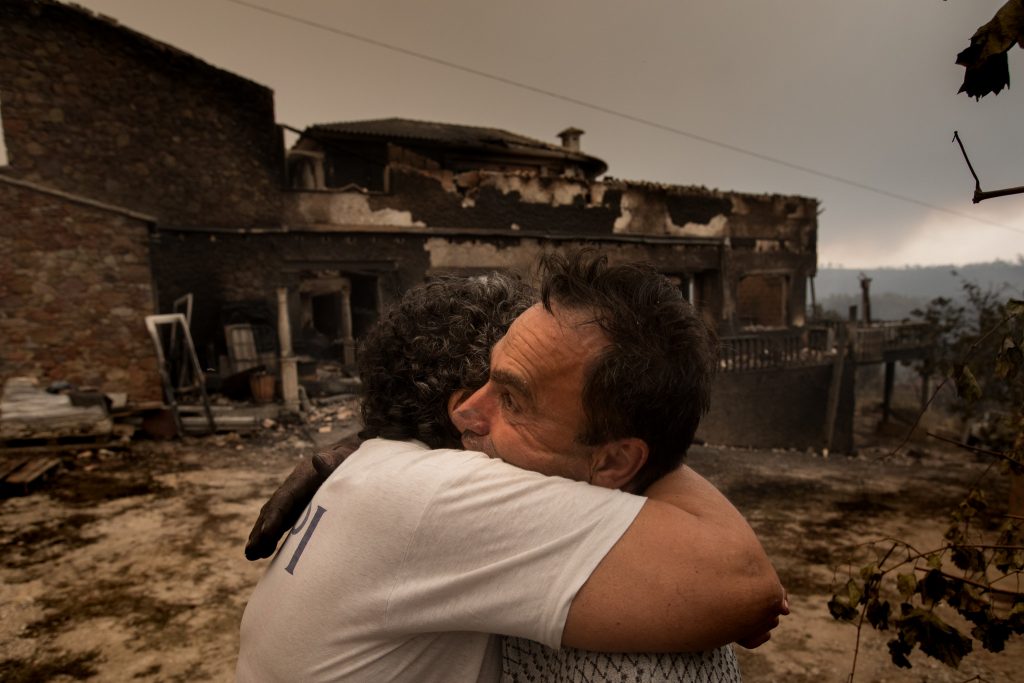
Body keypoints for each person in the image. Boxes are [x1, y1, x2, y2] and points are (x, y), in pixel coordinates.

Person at [238, 253, 786, 682]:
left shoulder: (385, 470)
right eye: (483, 381)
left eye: (512, 397)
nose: (469, 412)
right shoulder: (437, 495)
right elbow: (744, 588)